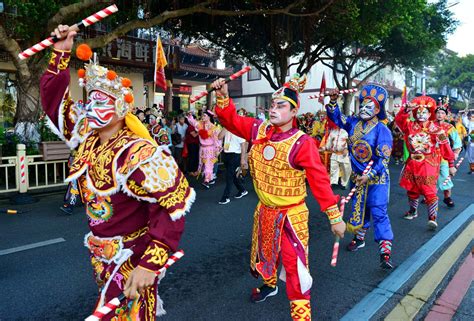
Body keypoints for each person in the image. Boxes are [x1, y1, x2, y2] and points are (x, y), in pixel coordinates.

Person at [40, 25, 195, 320]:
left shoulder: (138, 153)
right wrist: (61, 51)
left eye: (101, 101)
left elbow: (170, 207)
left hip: (132, 257)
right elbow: (55, 105)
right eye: (90, 100)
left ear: (121, 108)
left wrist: (151, 263)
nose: (91, 107)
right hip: (100, 255)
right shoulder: (86, 134)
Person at [213, 74, 345, 321]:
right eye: (272, 104)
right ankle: (270, 284)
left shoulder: (302, 143)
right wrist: (223, 98)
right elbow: (231, 121)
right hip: (265, 209)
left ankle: (301, 314)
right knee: (265, 252)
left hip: (291, 215)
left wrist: (334, 216)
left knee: (295, 268)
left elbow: (319, 182)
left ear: (294, 111)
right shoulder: (259, 129)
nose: (273, 109)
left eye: (280, 105)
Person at [326, 84, 394, 269]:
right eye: (362, 105)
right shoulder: (354, 123)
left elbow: (384, 158)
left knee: (378, 211)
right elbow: (338, 120)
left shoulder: (382, 130)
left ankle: (385, 252)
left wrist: (371, 173)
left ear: (378, 110)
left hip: (376, 178)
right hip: (358, 177)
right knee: (360, 209)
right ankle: (360, 238)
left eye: (369, 107)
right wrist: (333, 101)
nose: (364, 109)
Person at [395, 96, 456, 230]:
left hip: (428, 164)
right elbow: (399, 121)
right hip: (412, 163)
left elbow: (445, 145)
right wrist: (405, 110)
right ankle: (413, 210)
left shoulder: (436, 130)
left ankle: (432, 218)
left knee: (429, 192)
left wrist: (451, 163)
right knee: (411, 189)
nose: (421, 115)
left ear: (430, 114)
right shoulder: (410, 125)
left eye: (424, 113)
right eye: (418, 112)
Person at [434, 102, 462, 207]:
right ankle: (429, 196)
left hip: (444, 157)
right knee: (430, 177)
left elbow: (457, 143)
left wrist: (454, 154)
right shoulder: (429, 126)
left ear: (445, 115)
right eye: (438, 113)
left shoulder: (450, 127)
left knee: (446, 177)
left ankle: (447, 197)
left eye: (442, 113)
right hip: (431, 156)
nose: (440, 115)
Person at [186, 110, 221, 188]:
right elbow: (193, 122)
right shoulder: (200, 125)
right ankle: (209, 178)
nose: (203, 117)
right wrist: (190, 116)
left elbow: (217, 140)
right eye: (203, 115)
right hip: (202, 148)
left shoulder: (213, 127)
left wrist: (217, 150)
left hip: (210, 149)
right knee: (203, 164)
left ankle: (207, 180)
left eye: (205, 115)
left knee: (209, 164)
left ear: (209, 117)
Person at [217, 128, 249, 204]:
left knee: (229, 176)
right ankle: (242, 190)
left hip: (235, 155)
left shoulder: (239, 130)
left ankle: (225, 197)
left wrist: (242, 159)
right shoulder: (226, 128)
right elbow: (219, 137)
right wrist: (225, 127)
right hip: (226, 154)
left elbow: (243, 146)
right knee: (233, 175)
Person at [320, 119, 351, 189]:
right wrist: (324, 148)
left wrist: (347, 149)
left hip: (344, 155)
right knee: (333, 169)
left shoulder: (346, 132)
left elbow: (350, 142)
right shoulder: (332, 132)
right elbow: (328, 143)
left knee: (346, 169)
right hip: (334, 154)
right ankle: (333, 183)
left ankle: (344, 183)